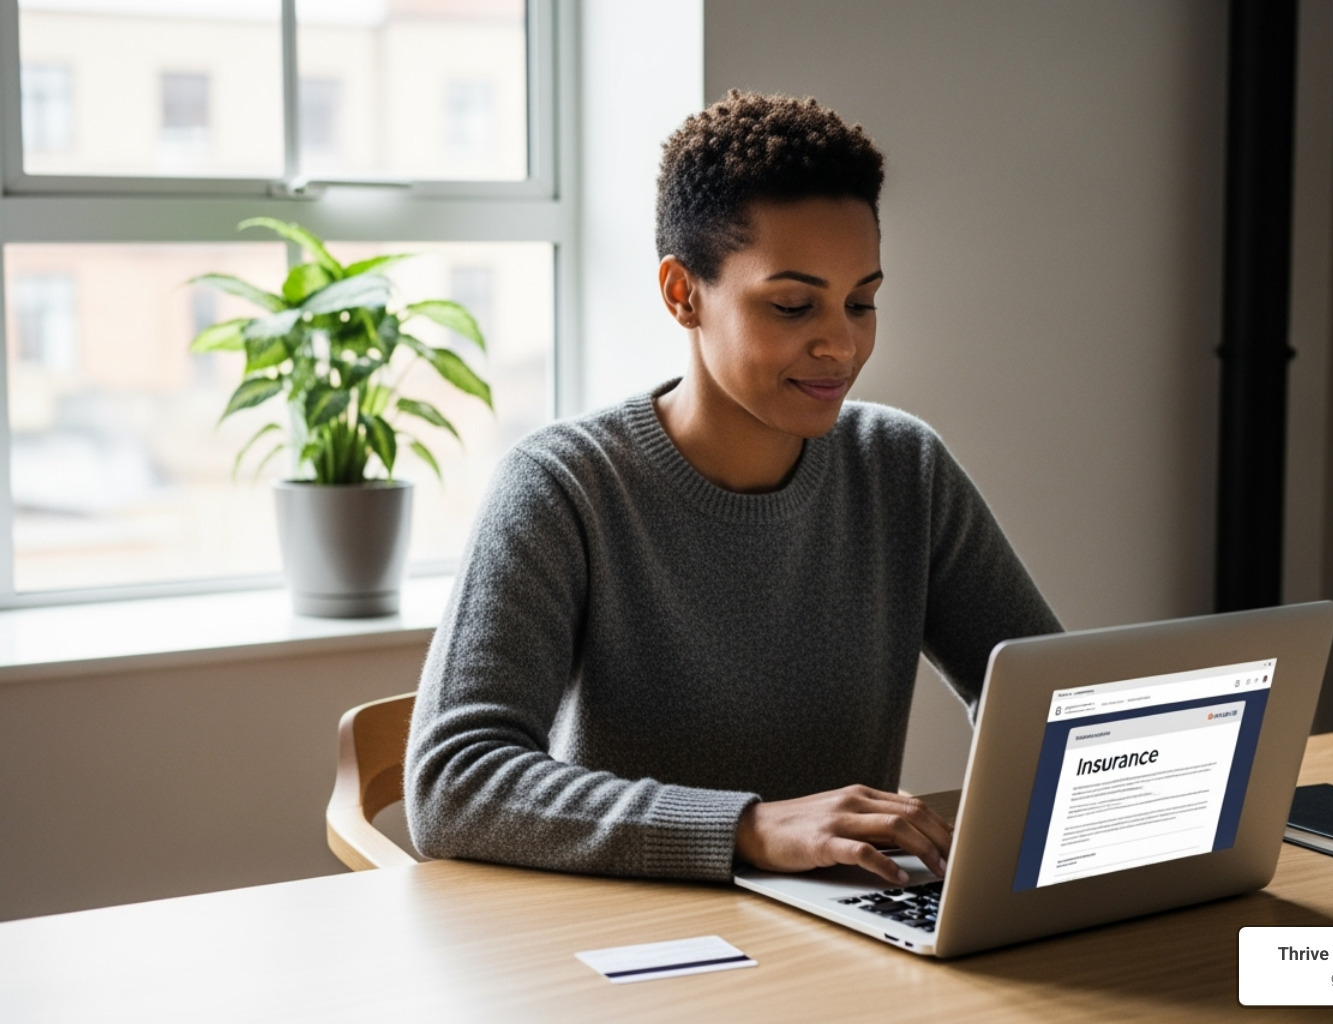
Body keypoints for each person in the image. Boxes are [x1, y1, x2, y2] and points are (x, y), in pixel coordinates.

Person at [405, 90, 1060, 887]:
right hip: (633, 941)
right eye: (793, 304)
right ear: (683, 293)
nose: (842, 343)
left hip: (852, 927)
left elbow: (1048, 705)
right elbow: (453, 783)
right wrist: (749, 827)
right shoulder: (564, 486)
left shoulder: (902, 467)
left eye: (863, 302)